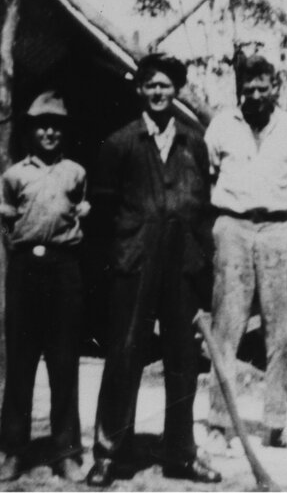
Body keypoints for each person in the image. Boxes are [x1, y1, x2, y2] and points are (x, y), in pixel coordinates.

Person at [85, 54, 222, 487]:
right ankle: (109, 454)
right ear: (139, 91)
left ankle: (181, 453)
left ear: (176, 90)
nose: (158, 93)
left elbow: (203, 208)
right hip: (136, 262)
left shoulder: (193, 142)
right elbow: (103, 213)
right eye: (151, 86)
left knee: (183, 360)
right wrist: (122, 257)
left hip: (182, 267)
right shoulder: (120, 143)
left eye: (165, 85)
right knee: (124, 356)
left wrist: (200, 262)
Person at [204, 55, 287, 451]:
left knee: (279, 333)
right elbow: (211, 175)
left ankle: (276, 422)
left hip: (279, 229)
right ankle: (218, 421)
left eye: (261, 88)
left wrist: (278, 222)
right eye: (247, 89)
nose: (254, 95)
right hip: (232, 227)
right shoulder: (221, 126)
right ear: (239, 90)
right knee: (226, 329)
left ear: (275, 88)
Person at [0, 90, 89, 482]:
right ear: (31, 131)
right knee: (20, 362)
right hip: (25, 271)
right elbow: (6, 224)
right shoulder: (14, 175)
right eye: (42, 126)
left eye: (56, 126)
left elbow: (81, 214)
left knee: (64, 362)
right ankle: (15, 451)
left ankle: (66, 452)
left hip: (64, 268)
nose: (49, 132)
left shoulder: (76, 173)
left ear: (63, 132)